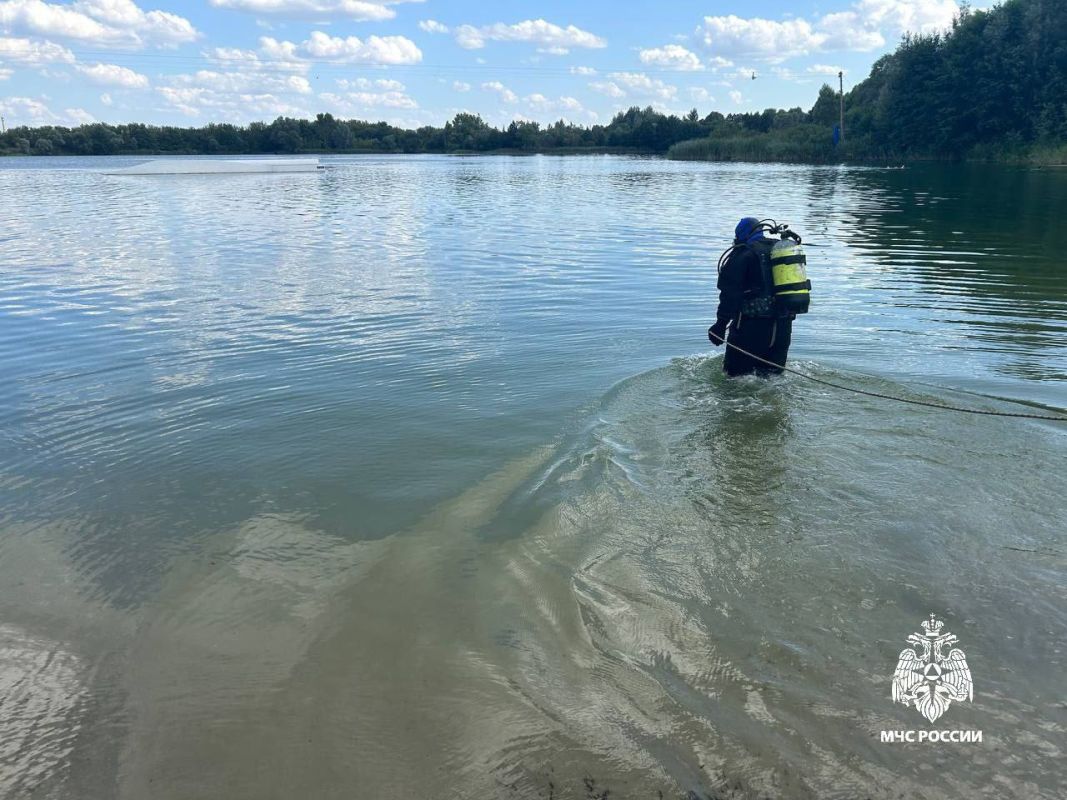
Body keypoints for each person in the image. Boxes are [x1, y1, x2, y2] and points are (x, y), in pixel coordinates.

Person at [708, 217, 794, 377]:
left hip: (751, 330)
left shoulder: (742, 254)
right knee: (772, 381)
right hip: (782, 329)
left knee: (734, 381)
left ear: (740, 235)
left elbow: (729, 294)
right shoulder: (780, 251)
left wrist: (720, 325)